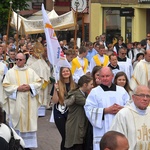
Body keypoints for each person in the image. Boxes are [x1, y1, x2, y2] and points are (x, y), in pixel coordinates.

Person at [2, 52, 42, 150]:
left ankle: (28, 147)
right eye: (16, 59)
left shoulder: (31, 71)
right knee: (17, 126)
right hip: (16, 104)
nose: (18, 61)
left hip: (29, 103)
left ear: (24, 60)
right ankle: (17, 145)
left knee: (28, 124)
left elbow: (38, 83)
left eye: (20, 60)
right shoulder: (10, 72)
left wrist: (30, 86)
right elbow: (6, 86)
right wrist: (17, 88)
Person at [84, 67, 129, 150]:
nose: (105, 78)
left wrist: (122, 109)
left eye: (107, 76)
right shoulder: (94, 92)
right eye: (102, 76)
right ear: (99, 77)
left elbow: (129, 107)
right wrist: (105, 110)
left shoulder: (121, 91)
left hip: (119, 128)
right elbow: (88, 109)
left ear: (112, 76)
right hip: (102, 130)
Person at [110, 85, 150, 150]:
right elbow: (116, 141)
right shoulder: (123, 114)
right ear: (133, 97)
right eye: (142, 95)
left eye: (148, 96)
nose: (145, 99)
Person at [65, 75, 93, 150]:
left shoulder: (84, 94)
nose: (92, 86)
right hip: (75, 125)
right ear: (85, 85)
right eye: (91, 84)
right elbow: (89, 104)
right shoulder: (77, 95)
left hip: (80, 124)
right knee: (76, 145)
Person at [51, 67, 76, 150]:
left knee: (71, 137)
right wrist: (55, 90)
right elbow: (55, 101)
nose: (65, 73)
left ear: (70, 72)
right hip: (60, 114)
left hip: (71, 114)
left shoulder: (74, 85)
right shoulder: (57, 84)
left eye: (67, 71)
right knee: (65, 137)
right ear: (61, 74)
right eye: (63, 71)